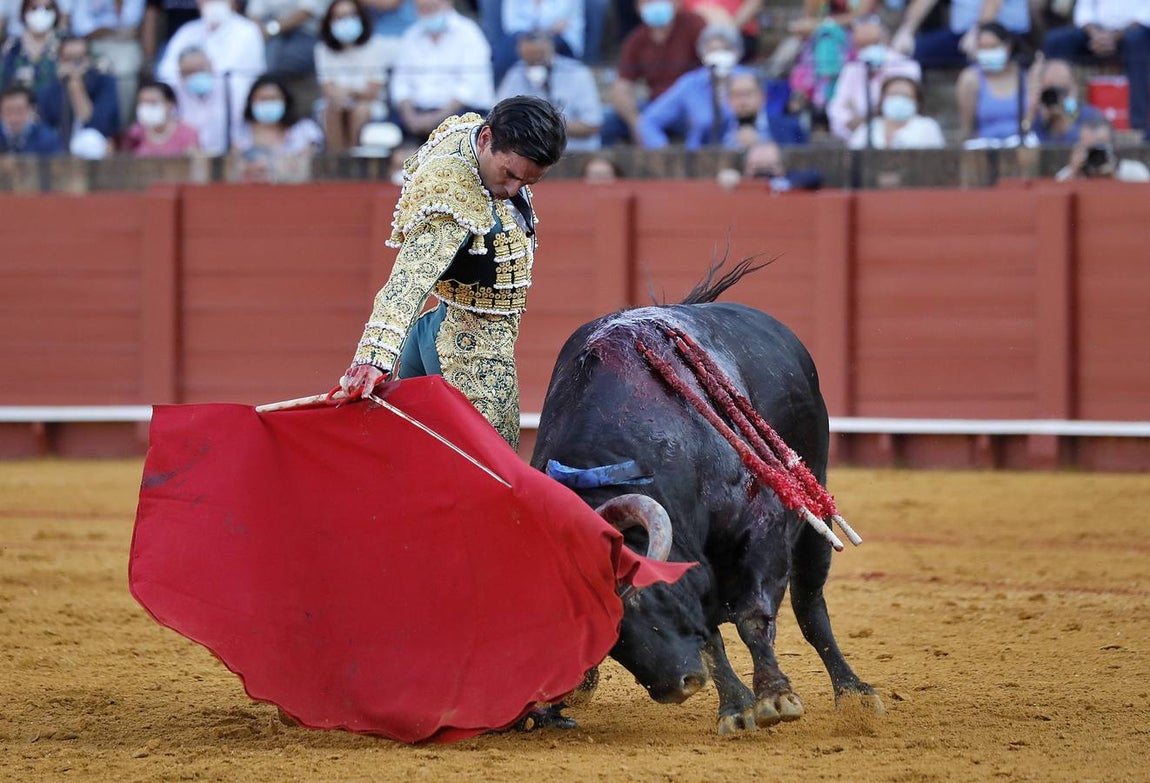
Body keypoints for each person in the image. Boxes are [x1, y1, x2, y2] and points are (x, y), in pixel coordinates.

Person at [339, 96, 566, 450]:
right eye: (509, 174)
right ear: (486, 139)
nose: (511, 191)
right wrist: (373, 359)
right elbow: (409, 280)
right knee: (490, 470)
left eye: (527, 183)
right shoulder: (453, 195)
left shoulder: (467, 132)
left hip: (434, 329)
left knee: (416, 461)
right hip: (469, 347)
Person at [1041, 1, 1150, 139]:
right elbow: (1084, 10)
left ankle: (1139, 127)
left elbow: (1146, 15)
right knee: (1055, 41)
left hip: (1137, 35)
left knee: (1137, 40)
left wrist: (1114, 37)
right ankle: (1053, 116)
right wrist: (1095, 34)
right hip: (1096, 34)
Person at [601, 0, 705, 146]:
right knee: (607, 121)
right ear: (638, 8)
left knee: (704, 120)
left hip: (691, 103)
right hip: (655, 105)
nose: (655, 4)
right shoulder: (636, 39)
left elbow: (712, 64)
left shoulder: (693, 25)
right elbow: (621, 88)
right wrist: (636, 122)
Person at [388, 0, 492, 143]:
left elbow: (469, 89)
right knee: (397, 149)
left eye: (431, 7)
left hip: (459, 115)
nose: (427, 13)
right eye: (422, 9)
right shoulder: (411, 36)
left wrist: (437, 119)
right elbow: (400, 85)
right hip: (415, 116)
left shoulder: (469, 34)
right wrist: (410, 116)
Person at [156, 0, 266, 123]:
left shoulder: (248, 31)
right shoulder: (186, 31)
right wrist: (188, 73)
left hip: (231, 114)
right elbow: (166, 74)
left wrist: (201, 71)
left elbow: (238, 77)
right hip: (187, 111)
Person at [495, 29, 602, 152]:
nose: (534, 64)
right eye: (529, 60)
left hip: (575, 153)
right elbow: (499, 118)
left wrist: (544, 125)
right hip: (530, 156)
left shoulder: (577, 74)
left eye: (538, 58)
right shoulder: (516, 74)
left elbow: (592, 125)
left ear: (551, 50)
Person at [826, 15, 922, 143]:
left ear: (886, 39)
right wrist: (863, 122)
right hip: (857, 138)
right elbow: (837, 111)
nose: (869, 49)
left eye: (874, 43)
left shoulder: (906, 66)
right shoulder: (851, 69)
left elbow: (905, 107)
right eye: (863, 46)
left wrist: (867, 118)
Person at [314, 0, 388, 152]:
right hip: (337, 102)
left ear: (361, 17)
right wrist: (342, 96)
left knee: (359, 110)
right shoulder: (322, 49)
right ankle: (337, 162)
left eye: (350, 15)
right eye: (339, 17)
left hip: (370, 104)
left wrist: (349, 92)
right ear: (330, 22)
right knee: (332, 110)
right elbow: (327, 89)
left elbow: (372, 91)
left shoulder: (376, 44)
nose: (345, 22)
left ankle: (356, 160)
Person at [231, 72, 322, 181]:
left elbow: (306, 165)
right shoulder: (240, 132)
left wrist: (272, 166)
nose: (268, 103)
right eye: (263, 99)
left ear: (285, 101)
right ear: (251, 102)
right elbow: (236, 168)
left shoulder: (305, 130)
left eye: (273, 99)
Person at [68, 0, 144, 128]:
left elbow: (131, 22)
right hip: (90, 44)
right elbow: (81, 27)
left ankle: (121, 129)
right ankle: (92, 128)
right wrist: (112, 31)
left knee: (126, 68)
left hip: (124, 45)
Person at [891, 0, 1031, 69]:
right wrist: (907, 30)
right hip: (961, 35)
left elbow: (993, 3)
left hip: (1003, 33)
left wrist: (978, 31)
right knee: (913, 51)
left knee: (984, 57)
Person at [34, 35, 119, 143]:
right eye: (68, 59)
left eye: (79, 59)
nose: (74, 65)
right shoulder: (50, 89)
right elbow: (44, 127)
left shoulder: (104, 83)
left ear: (88, 59)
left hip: (96, 147)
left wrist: (76, 87)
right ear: (60, 61)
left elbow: (96, 127)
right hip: (58, 148)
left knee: (90, 139)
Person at [956, 22, 1027, 143]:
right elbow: (967, 128)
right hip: (985, 148)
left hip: (1022, 146)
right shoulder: (970, 79)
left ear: (1007, 46)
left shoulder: (1025, 76)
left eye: (993, 47)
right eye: (983, 48)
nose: (988, 53)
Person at [169, 44, 236, 154]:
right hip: (187, 159)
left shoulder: (229, 90)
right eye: (190, 72)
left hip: (224, 157)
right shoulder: (174, 96)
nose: (196, 75)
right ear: (180, 74)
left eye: (200, 69)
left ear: (211, 66)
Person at [849, 73, 944, 148]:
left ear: (917, 102)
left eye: (905, 96)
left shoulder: (927, 127)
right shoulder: (866, 129)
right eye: (893, 95)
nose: (898, 100)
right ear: (882, 99)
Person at [1029, 57, 1104, 145]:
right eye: (1050, 91)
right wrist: (1032, 113)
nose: (1056, 97)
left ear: (1074, 89)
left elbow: (1097, 144)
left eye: (1062, 90)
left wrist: (1068, 120)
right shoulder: (1033, 114)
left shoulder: (1091, 116)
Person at [1054, 115, 1150, 181]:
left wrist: (1113, 175)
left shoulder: (1134, 172)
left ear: (1113, 146)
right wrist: (1074, 172)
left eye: (1101, 147)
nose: (1096, 153)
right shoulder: (1070, 174)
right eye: (1090, 149)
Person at [0, 0, 64, 95]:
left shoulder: (64, 44)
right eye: (34, 8)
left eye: (47, 8)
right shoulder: (11, 46)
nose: (41, 13)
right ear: (24, 11)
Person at [245, 0, 322, 77]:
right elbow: (253, 15)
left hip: (304, 34)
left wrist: (272, 30)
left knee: (272, 58)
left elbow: (305, 12)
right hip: (271, 32)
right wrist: (261, 31)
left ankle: (264, 79)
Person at [122, 78, 199, 154]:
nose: (147, 107)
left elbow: (192, 163)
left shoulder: (187, 134)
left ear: (170, 104)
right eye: (143, 103)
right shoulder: (135, 133)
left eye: (153, 103)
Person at [0, 82, 61, 151]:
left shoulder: (48, 140)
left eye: (20, 111)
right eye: (8, 111)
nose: (14, 119)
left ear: (32, 110)